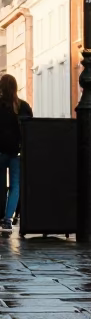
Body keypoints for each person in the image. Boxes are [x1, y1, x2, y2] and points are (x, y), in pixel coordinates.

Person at [0, 74, 33, 234]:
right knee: (15, 186)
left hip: (0, 152)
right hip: (16, 151)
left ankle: (1, 215)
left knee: (0, 185)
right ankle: (7, 220)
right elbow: (30, 129)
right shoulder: (23, 106)